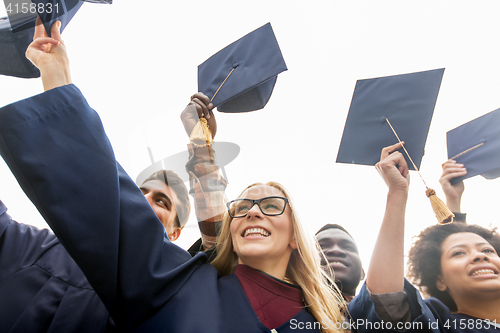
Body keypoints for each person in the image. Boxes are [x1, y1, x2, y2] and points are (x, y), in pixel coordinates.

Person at [0, 20, 347, 332]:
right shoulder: (176, 284)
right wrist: (56, 79)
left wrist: (203, 148)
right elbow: (108, 194)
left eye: (271, 205)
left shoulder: (319, 323)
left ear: (296, 236)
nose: (252, 211)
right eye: (241, 206)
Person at [348, 142, 500, 332]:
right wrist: (398, 192)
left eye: (488, 250)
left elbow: (459, 239)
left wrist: (453, 201)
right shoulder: (443, 325)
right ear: (440, 281)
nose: (480, 256)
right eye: (459, 254)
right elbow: (387, 306)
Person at [315, 224, 365, 302]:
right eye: (321, 246)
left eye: (348, 247)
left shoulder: (376, 312)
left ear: (362, 272)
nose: (336, 250)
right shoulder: (291, 311)